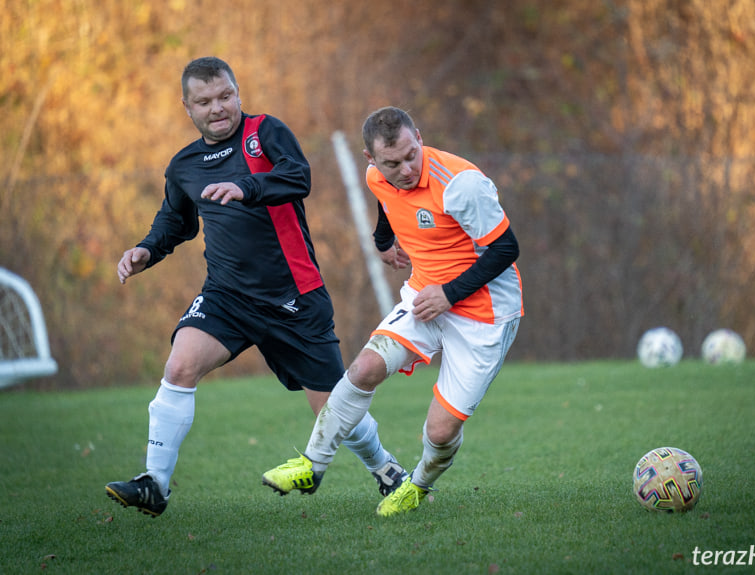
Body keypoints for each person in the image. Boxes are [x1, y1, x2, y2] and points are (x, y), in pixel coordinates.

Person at [105, 58, 406, 518]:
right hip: (227, 296)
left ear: (238, 93)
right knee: (180, 365)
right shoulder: (183, 165)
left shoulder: (265, 132)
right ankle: (155, 484)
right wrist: (146, 250)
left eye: (225, 96)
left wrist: (246, 187)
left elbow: (298, 176)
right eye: (204, 101)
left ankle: (386, 469)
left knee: (332, 407)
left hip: (295, 296)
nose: (218, 108)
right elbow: (175, 221)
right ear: (187, 108)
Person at [261, 106, 523, 516]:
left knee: (439, 430)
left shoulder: (461, 185)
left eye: (410, 155)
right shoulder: (376, 177)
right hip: (424, 296)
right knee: (363, 369)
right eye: (391, 163)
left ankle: (417, 484)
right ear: (371, 160)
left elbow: (507, 249)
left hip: (486, 313)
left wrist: (450, 294)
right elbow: (388, 202)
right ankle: (312, 464)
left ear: (418, 136)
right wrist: (383, 240)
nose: (404, 169)